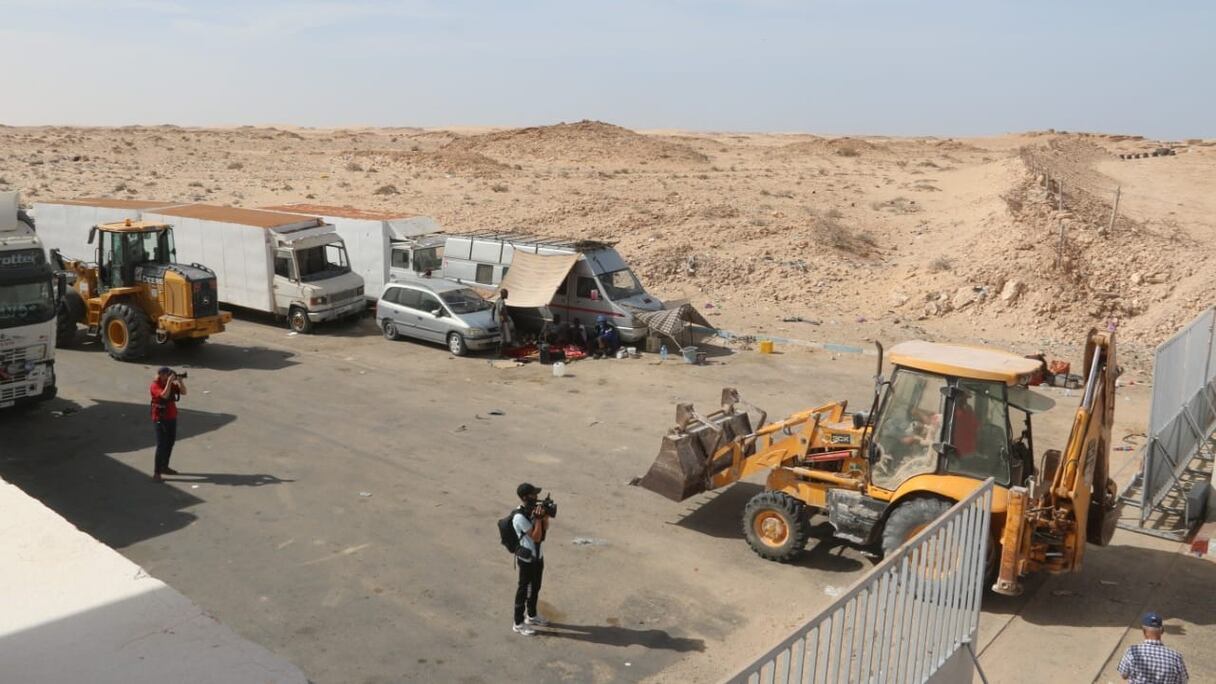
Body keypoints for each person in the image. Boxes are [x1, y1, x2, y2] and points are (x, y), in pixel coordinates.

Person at [511, 482, 551, 636]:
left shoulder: (532, 510)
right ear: (525, 497)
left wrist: (545, 517)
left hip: (538, 556)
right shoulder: (519, 517)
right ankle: (518, 623)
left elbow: (544, 529)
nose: (537, 497)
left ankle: (532, 616)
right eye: (533, 494)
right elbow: (536, 536)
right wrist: (538, 520)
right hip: (527, 560)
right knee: (524, 590)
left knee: (535, 588)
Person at [1118, 612, 1188, 683]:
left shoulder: (1132, 652)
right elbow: (1183, 681)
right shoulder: (1176, 657)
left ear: (1143, 631)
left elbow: (1124, 675)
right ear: (1162, 631)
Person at [150, 366, 187, 482]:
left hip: (171, 417)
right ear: (161, 375)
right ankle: (157, 472)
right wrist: (170, 382)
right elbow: (164, 395)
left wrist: (180, 382)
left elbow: (184, 392)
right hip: (160, 418)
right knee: (161, 445)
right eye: (167, 374)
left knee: (170, 442)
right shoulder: (155, 385)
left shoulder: (169, 383)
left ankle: (164, 467)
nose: (169, 376)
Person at [493, 288, 515, 356]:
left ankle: (501, 352)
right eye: (506, 293)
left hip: (498, 321)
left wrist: (493, 318)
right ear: (503, 294)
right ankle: (501, 354)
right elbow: (501, 311)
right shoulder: (502, 302)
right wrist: (505, 320)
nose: (507, 295)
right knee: (503, 338)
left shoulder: (497, 300)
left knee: (502, 337)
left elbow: (493, 308)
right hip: (502, 322)